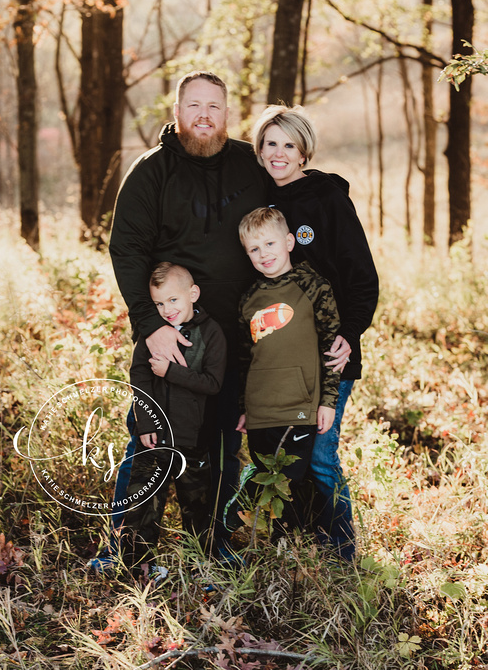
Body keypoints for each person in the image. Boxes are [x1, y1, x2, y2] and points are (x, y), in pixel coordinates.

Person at [90, 71, 267, 571]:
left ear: (228, 114)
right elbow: (126, 250)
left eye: (214, 106)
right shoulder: (151, 172)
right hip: (172, 330)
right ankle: (126, 549)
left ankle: (213, 544)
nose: (204, 115)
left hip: (232, 335)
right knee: (151, 439)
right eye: (194, 105)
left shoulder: (248, 167)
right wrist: (152, 325)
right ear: (177, 111)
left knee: (222, 444)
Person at [251, 105, 379, 560]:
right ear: (259, 149)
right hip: (278, 355)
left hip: (328, 352)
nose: (279, 153)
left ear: (304, 150)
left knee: (321, 456)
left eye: (289, 144)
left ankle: (342, 554)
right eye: (270, 143)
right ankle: (296, 545)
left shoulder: (327, 200)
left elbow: (362, 277)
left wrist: (350, 332)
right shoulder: (256, 198)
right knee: (285, 454)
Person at [92, 262, 227, 579]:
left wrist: (172, 372)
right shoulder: (152, 335)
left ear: (192, 294)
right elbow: (138, 375)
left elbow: (212, 383)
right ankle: (137, 567)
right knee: (143, 505)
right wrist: (146, 424)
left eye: (173, 300)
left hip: (191, 441)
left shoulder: (211, 333)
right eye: (158, 303)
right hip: (153, 439)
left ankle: (201, 569)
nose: (167, 309)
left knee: (197, 507)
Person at [235, 207, 340, 538]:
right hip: (260, 410)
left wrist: (328, 400)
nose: (263, 254)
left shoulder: (314, 287)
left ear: (289, 242)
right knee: (267, 481)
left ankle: (307, 548)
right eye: (254, 249)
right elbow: (243, 359)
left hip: (299, 406)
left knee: (294, 482)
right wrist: (242, 406)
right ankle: (277, 549)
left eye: (269, 244)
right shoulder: (249, 299)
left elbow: (331, 349)